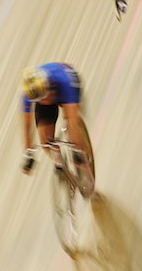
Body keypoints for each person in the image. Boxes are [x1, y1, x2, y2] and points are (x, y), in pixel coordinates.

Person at [20, 62, 94, 198]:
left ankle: (83, 159)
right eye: (41, 98)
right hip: (50, 91)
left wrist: (78, 150)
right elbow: (27, 126)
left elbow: (71, 120)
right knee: (46, 142)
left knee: (73, 125)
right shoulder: (29, 94)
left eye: (46, 95)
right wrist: (28, 154)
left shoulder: (63, 81)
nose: (46, 99)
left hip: (66, 88)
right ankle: (61, 166)